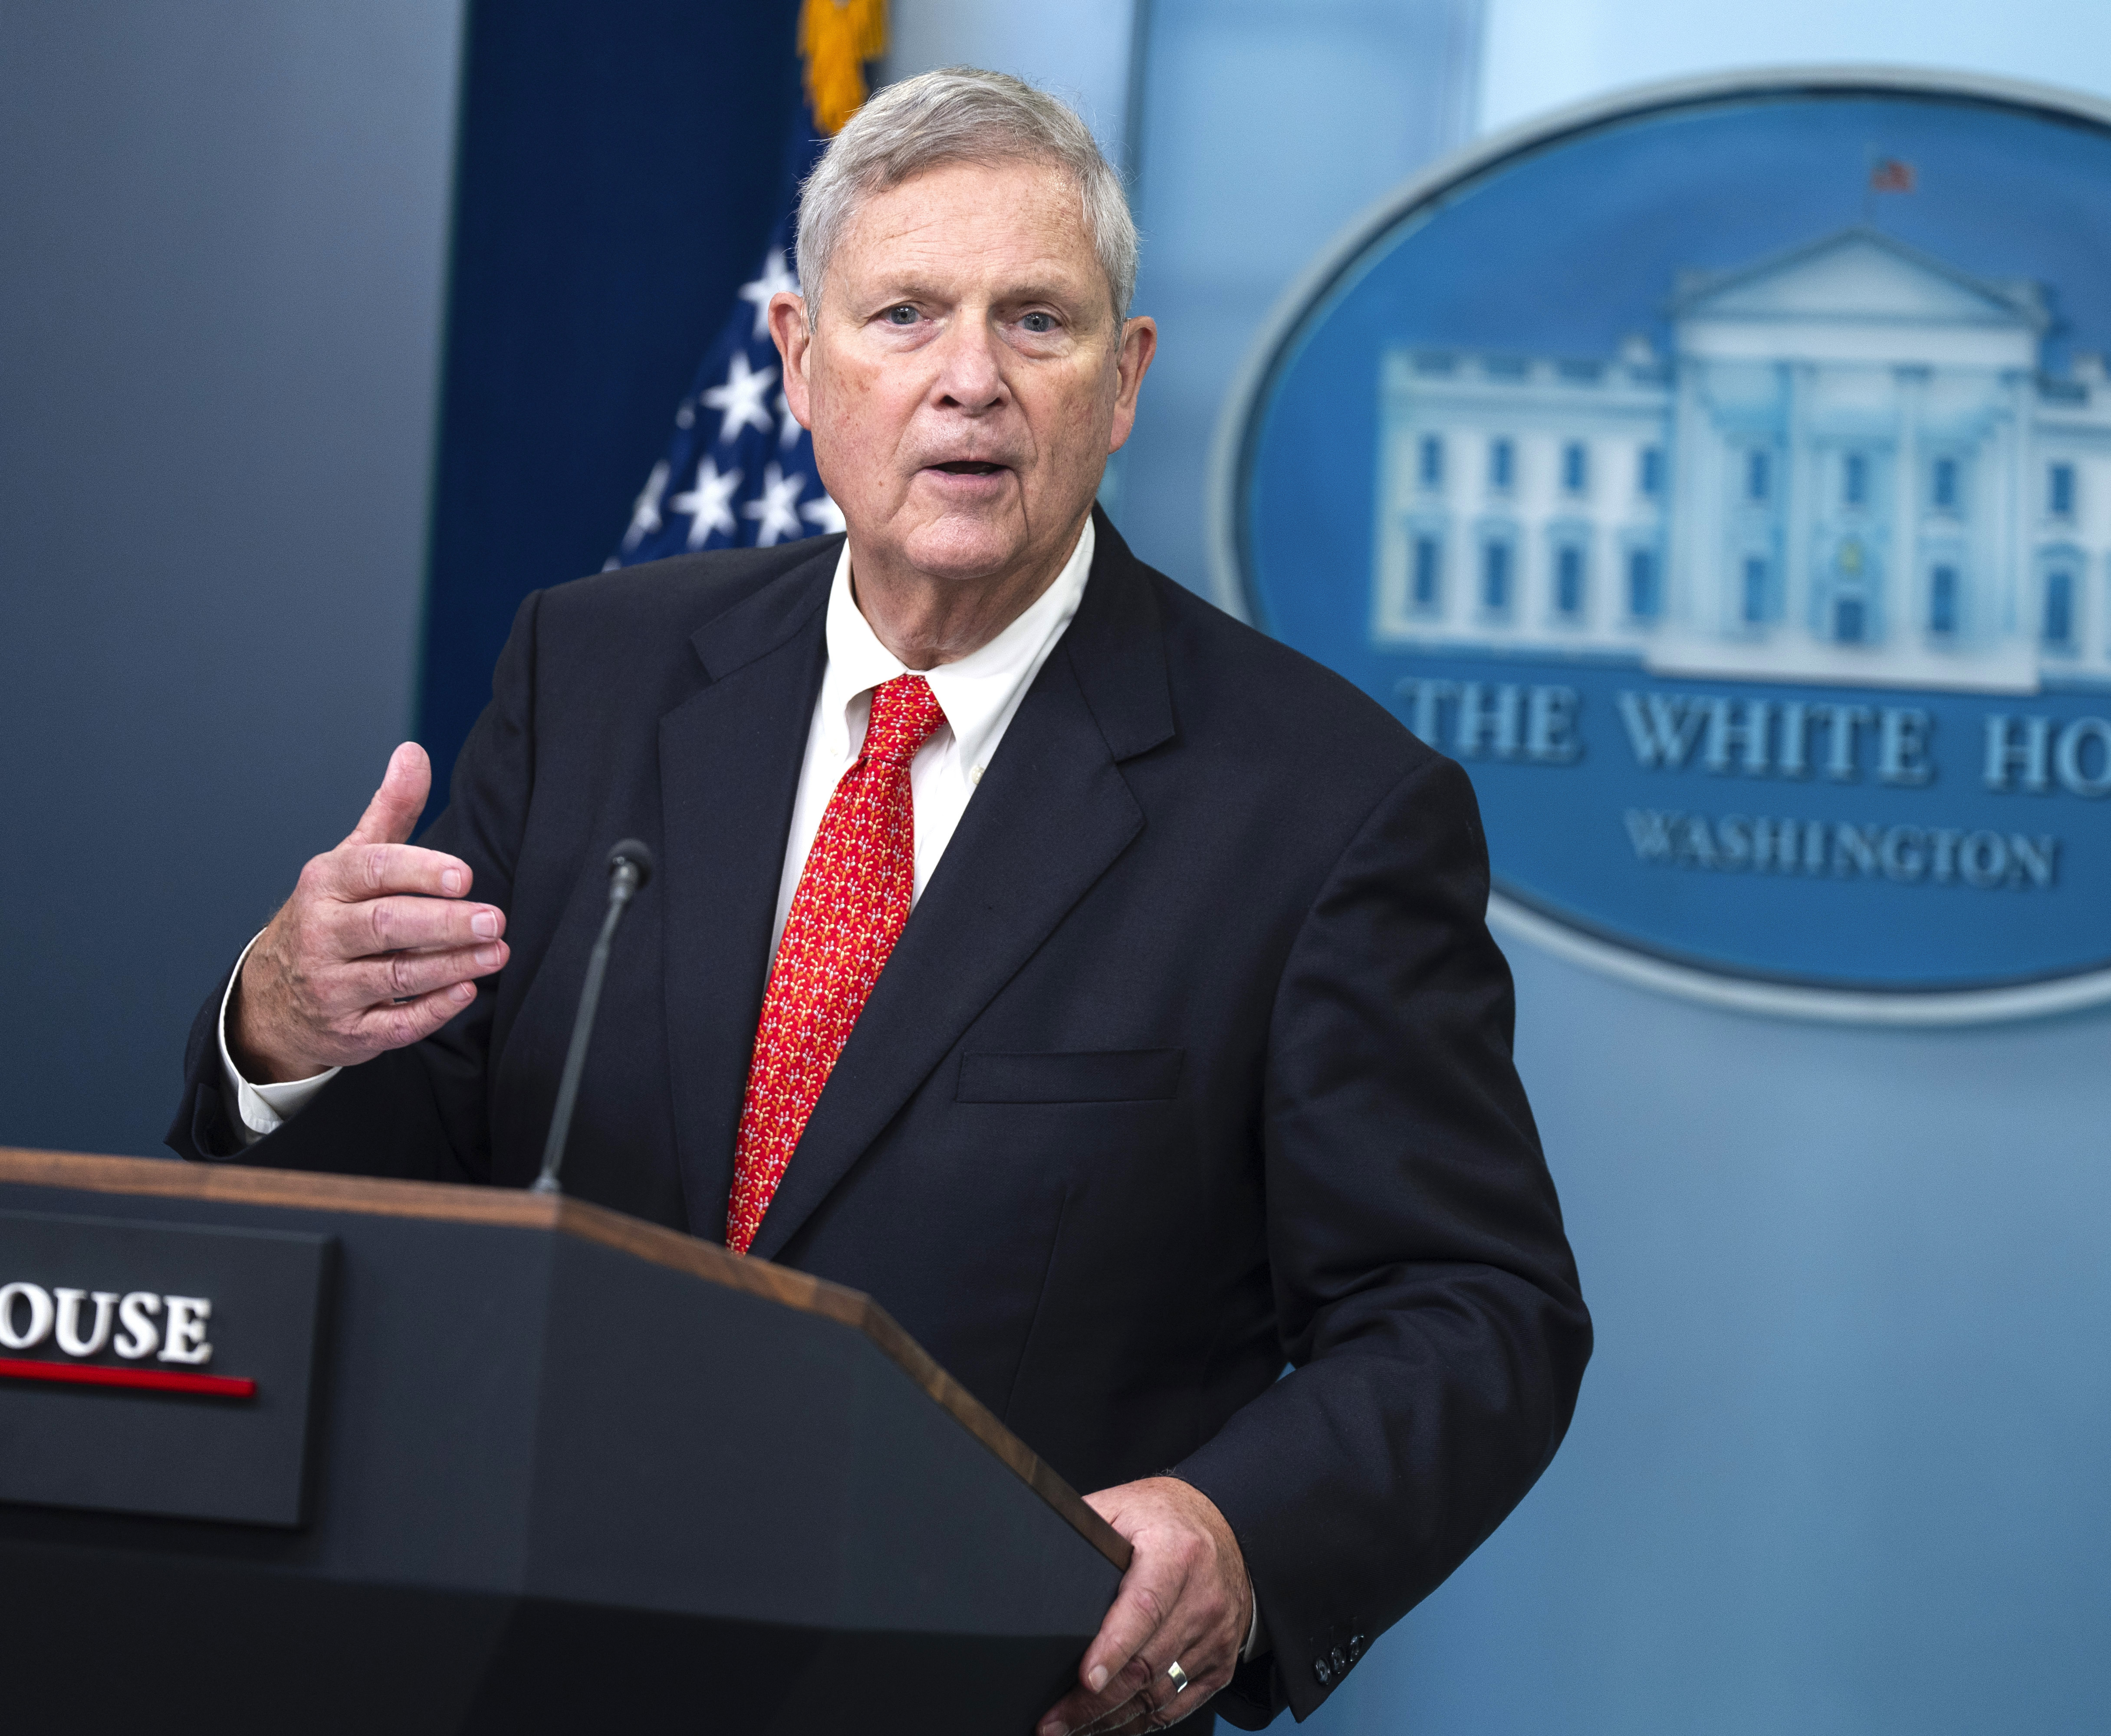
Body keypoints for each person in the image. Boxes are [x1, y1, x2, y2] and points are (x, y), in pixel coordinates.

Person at [169, 67, 1589, 1735]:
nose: (968, 383)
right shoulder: (594, 673)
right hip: (527, 1667)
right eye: (905, 313)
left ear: (1124, 382)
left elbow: (1475, 1312)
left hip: (985, 1694)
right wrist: (284, 1031)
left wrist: (1233, 1533)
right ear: (797, 361)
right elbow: (428, 1183)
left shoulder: (1327, 811)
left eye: (1037, 322)